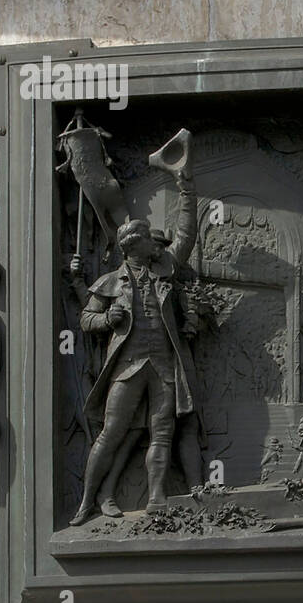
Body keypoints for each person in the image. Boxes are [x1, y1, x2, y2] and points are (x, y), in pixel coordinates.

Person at [69, 168, 198, 525]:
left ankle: (157, 498)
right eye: (150, 241)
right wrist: (108, 320)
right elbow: (85, 320)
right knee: (111, 434)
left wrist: (186, 189)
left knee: (163, 432)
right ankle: (86, 502)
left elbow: (187, 234)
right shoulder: (110, 282)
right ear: (135, 244)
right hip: (127, 368)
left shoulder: (166, 269)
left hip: (163, 366)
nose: (159, 245)